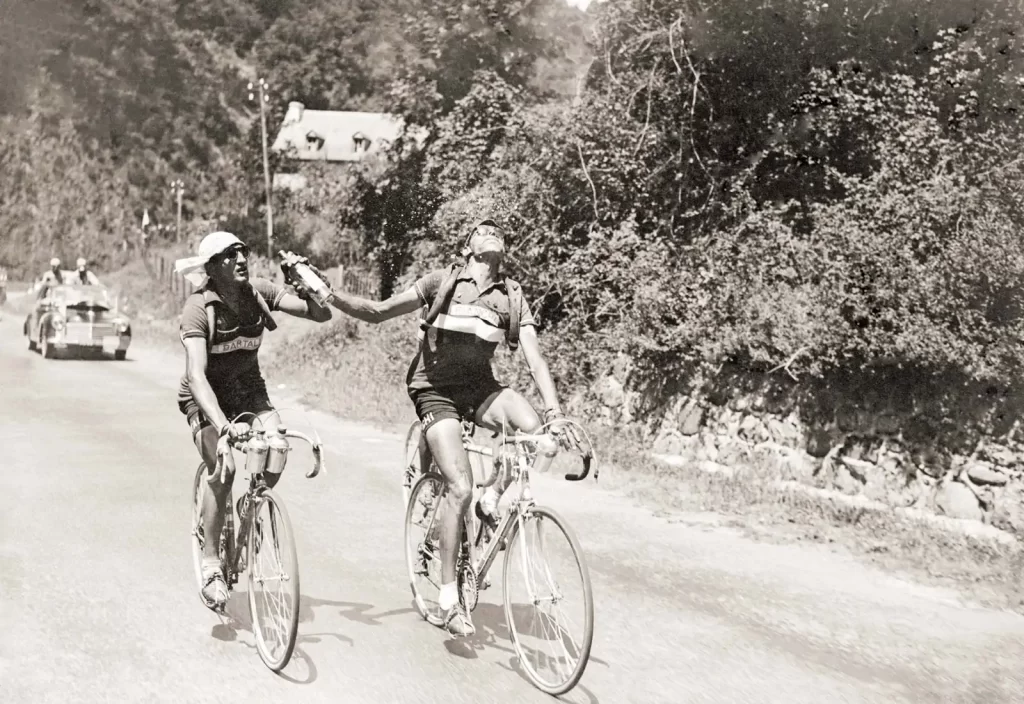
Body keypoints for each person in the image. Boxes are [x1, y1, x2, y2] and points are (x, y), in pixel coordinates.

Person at [323, 218, 582, 638]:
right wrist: (327, 293)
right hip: (435, 390)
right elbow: (379, 312)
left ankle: (493, 496)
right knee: (459, 486)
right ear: (468, 248)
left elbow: (535, 360)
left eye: (498, 228)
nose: (493, 229)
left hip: (480, 389)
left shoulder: (511, 297)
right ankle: (447, 596)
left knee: (533, 430)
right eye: (483, 228)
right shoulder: (440, 282)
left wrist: (555, 413)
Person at [174, 231, 332, 610]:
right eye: (230, 255)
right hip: (205, 399)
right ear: (212, 267)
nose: (241, 259)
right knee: (224, 468)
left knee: (277, 448)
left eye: (243, 252)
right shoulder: (198, 307)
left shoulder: (257, 291)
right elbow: (196, 377)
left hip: (249, 392)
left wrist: (308, 287)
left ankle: (250, 506)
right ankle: (212, 566)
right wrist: (226, 428)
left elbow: (321, 314)